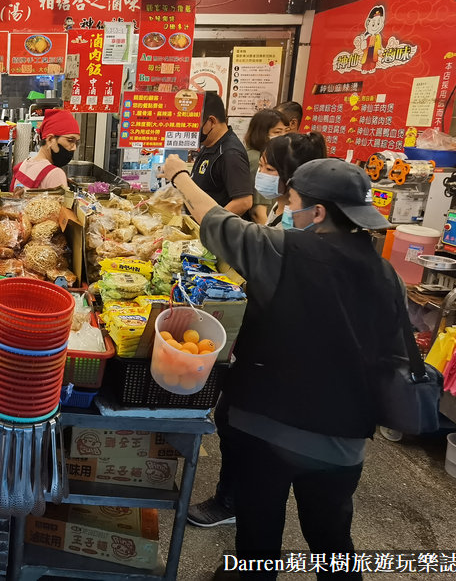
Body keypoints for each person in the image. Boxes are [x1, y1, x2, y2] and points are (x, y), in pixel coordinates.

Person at [163, 155, 405, 581]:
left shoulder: (280, 250)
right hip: (343, 439)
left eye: (291, 200)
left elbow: (212, 217)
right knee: (331, 538)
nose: (285, 209)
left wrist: (179, 174)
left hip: (267, 427)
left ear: (318, 212)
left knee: (259, 533)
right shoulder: (388, 275)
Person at [186, 130, 327, 530]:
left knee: (252, 454)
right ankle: (238, 503)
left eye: (266, 168)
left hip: (279, 367)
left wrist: (180, 175)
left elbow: (222, 225)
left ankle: (232, 502)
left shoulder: (299, 238)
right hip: (314, 398)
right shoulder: (294, 215)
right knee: (321, 518)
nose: (258, 174)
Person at [189, 92, 253, 215]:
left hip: (216, 232)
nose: (190, 128)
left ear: (211, 121)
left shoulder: (230, 153)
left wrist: (211, 223)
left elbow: (244, 201)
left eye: (194, 123)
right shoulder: (210, 144)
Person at [256, 132, 328, 226]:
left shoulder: (296, 221)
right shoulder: (279, 204)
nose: (261, 173)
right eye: (260, 165)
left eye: (269, 169)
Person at [11, 108, 80, 190]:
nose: (74, 147)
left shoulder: (22, 166)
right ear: (50, 139)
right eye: (70, 140)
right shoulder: (55, 174)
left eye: (77, 142)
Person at [243, 109, 288, 225]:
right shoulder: (258, 158)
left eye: (286, 131)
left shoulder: (254, 154)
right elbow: (258, 213)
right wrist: (269, 238)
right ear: (262, 133)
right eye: (278, 132)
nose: (283, 137)